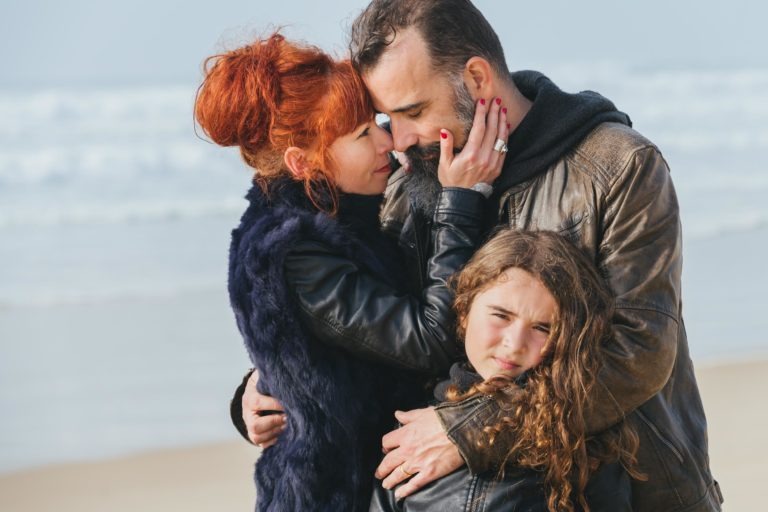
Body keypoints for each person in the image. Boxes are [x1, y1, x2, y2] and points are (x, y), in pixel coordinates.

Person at [240, 1, 723, 510]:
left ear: (475, 78)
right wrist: (273, 379)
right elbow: (383, 325)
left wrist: (470, 430)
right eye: (386, 118)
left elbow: (638, 355)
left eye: (413, 112)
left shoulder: (618, 167)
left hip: (632, 493)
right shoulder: (412, 182)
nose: (398, 141)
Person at [195, 32, 509, 511]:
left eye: (377, 121)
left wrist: (262, 384)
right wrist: (460, 204)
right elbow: (426, 340)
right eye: (364, 134)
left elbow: (321, 352)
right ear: (304, 163)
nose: (388, 140)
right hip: (334, 496)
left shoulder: (344, 214)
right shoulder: (291, 251)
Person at [371, 229, 642, 511]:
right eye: (501, 316)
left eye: (542, 328)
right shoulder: (412, 428)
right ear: (464, 311)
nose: (514, 345)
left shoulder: (587, 448)